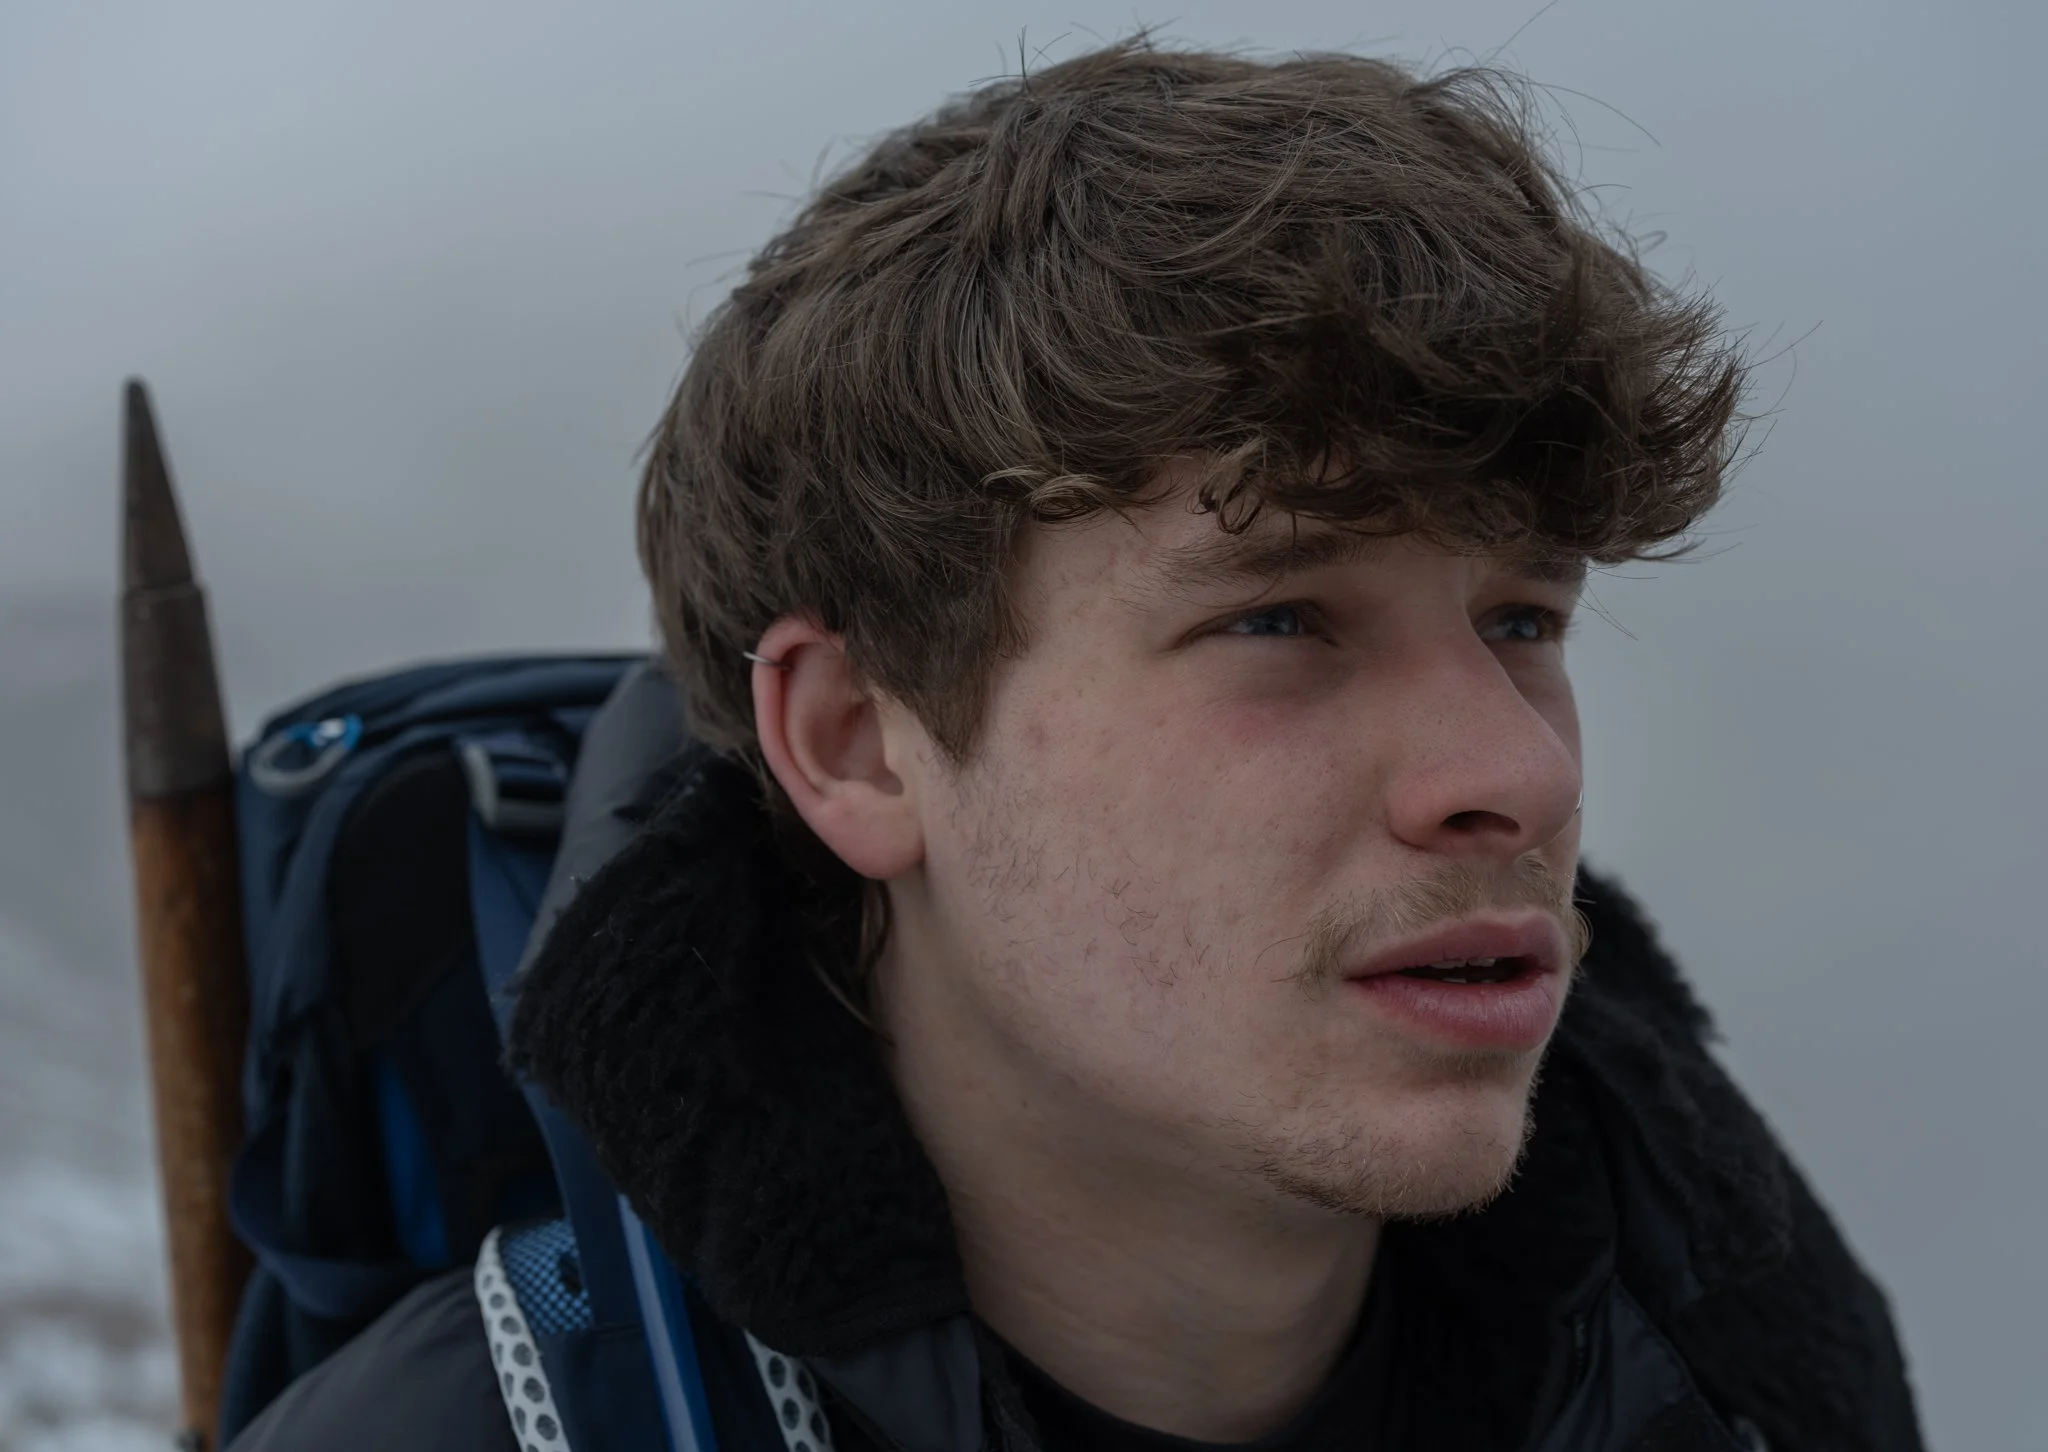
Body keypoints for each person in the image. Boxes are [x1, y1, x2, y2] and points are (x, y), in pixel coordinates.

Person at [231, 39, 1923, 1452]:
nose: (1522, 775)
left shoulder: (1753, 1378)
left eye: (1522, 623)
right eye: (1278, 621)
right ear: (857, 744)